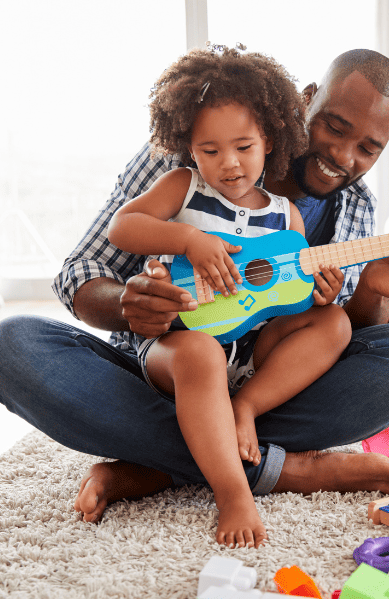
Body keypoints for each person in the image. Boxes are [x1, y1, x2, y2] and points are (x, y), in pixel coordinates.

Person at [0, 48, 389, 549]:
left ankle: (161, 467)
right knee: (12, 347)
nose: (344, 156)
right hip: (166, 365)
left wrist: (372, 292)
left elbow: (345, 338)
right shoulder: (188, 154)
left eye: (369, 147)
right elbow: (81, 271)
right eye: (335, 128)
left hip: (262, 382)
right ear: (307, 101)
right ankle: (284, 469)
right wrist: (128, 304)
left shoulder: (352, 206)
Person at [107, 45, 352, 547]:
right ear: (190, 148)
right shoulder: (184, 187)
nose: (229, 164)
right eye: (210, 150)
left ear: (271, 138)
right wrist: (188, 240)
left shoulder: (286, 216)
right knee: (199, 354)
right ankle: (233, 491)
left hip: (248, 354)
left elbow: (286, 296)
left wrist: (321, 295)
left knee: (337, 325)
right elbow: (123, 227)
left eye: (243, 146)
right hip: (181, 348)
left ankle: (244, 411)